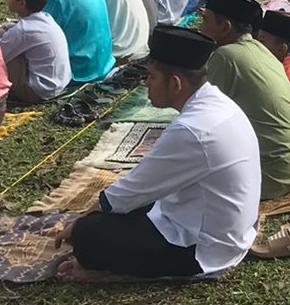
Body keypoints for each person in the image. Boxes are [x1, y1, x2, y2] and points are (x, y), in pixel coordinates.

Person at [60, 27, 261, 282]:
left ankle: (100, 267)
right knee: (125, 209)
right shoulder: (217, 102)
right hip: (227, 228)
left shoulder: (193, 129)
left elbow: (129, 192)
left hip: (205, 250)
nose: (147, 84)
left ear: (175, 83)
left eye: (152, 78)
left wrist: (78, 224)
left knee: (89, 234)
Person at [198, 0, 290, 201]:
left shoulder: (225, 55)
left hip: (268, 177)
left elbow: (203, 121)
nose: (200, 27)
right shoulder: (260, 49)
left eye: (206, 20)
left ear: (225, 27)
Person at [0, 0, 71, 102]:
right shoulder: (46, 18)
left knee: (0, 57)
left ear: (22, 4)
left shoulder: (24, 30)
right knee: (5, 32)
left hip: (39, 91)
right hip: (59, 83)